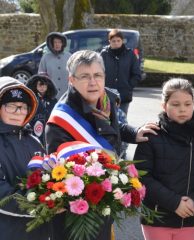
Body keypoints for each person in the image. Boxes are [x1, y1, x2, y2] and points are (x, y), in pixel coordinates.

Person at [45, 50, 158, 240]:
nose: (93, 82)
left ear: (104, 76)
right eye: (84, 76)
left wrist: (133, 132)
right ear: (71, 80)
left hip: (103, 204)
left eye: (97, 75)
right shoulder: (61, 121)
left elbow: (113, 127)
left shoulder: (105, 99)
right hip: (79, 216)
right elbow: (64, 178)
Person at [134, 78, 194, 240]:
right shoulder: (152, 135)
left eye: (187, 104)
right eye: (175, 105)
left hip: (189, 218)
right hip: (156, 219)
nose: (182, 109)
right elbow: (141, 176)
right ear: (164, 105)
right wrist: (174, 203)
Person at [0, 77, 51, 240]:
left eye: (23, 107)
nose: (18, 112)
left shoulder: (34, 140)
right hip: (8, 231)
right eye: (11, 106)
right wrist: (41, 207)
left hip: (39, 231)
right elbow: (3, 196)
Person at [100, 29, 141, 116]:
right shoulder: (104, 54)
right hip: (106, 95)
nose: (116, 43)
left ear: (122, 41)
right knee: (106, 121)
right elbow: (98, 72)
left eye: (118, 41)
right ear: (109, 41)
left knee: (122, 121)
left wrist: (129, 86)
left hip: (124, 95)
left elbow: (136, 74)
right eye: (113, 41)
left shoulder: (130, 54)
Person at [26, 74, 57, 146]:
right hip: (34, 124)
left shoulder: (53, 100)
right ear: (35, 86)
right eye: (40, 85)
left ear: (48, 86)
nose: (42, 87)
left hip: (48, 126)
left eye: (44, 85)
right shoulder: (32, 99)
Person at [38, 32, 71, 98]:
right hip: (51, 95)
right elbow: (41, 77)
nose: (57, 44)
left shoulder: (69, 56)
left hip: (67, 95)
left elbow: (74, 75)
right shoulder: (45, 57)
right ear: (51, 44)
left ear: (63, 44)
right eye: (55, 42)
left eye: (59, 42)